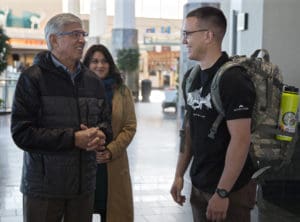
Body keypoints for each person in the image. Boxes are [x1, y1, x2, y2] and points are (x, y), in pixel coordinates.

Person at [10, 13, 112, 222]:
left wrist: (101, 135)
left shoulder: (93, 81)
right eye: (75, 34)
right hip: (44, 188)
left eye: (83, 34)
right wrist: (73, 138)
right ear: (54, 40)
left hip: (83, 188)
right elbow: (22, 133)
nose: (82, 39)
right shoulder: (32, 78)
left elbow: (106, 123)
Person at [170, 6, 256, 222]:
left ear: (208, 36)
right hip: (200, 183)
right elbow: (188, 129)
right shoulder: (192, 77)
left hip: (230, 190)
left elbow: (241, 139)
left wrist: (222, 192)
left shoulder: (233, 80)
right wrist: (179, 174)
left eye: (188, 34)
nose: (184, 41)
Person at [83, 44, 137, 222]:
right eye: (95, 61)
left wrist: (111, 150)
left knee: (114, 212)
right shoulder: (77, 89)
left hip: (113, 163)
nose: (100, 65)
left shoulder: (122, 91)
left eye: (104, 61)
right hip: (83, 164)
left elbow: (129, 126)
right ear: (87, 65)